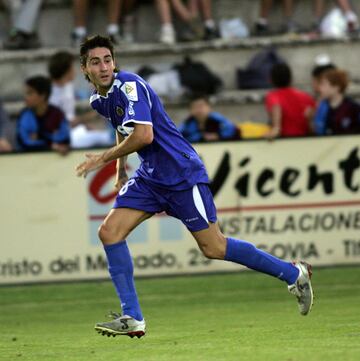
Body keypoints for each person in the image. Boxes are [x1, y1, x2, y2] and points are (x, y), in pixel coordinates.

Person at [75, 35, 314, 338]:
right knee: (109, 232)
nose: (104, 66)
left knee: (214, 247)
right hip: (150, 179)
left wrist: (103, 159)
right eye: (95, 62)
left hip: (181, 175)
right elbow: (122, 129)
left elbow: (144, 136)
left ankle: (294, 273)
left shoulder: (130, 85)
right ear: (85, 69)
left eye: (107, 59)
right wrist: (121, 170)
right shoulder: (100, 99)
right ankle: (132, 316)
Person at [48, 51, 113, 148]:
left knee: (101, 134)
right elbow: (57, 125)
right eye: (72, 68)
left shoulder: (67, 86)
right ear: (66, 71)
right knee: (107, 138)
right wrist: (91, 116)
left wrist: (83, 125)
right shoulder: (50, 95)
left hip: (73, 130)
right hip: (61, 136)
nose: (75, 71)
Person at [17, 76, 70, 154]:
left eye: (30, 93)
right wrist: (51, 144)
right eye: (26, 93)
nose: (26, 97)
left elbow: (65, 139)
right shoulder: (25, 114)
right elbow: (24, 143)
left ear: (43, 96)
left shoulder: (57, 114)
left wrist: (39, 136)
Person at [265, 63, 316, 138]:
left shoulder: (273, 97)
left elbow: (277, 109)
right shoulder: (306, 96)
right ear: (291, 78)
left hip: (285, 140)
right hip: (305, 139)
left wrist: (276, 128)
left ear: (271, 79)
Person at [316, 69, 360, 135]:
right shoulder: (322, 107)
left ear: (336, 87)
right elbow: (318, 132)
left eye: (324, 84)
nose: (320, 88)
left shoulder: (353, 108)